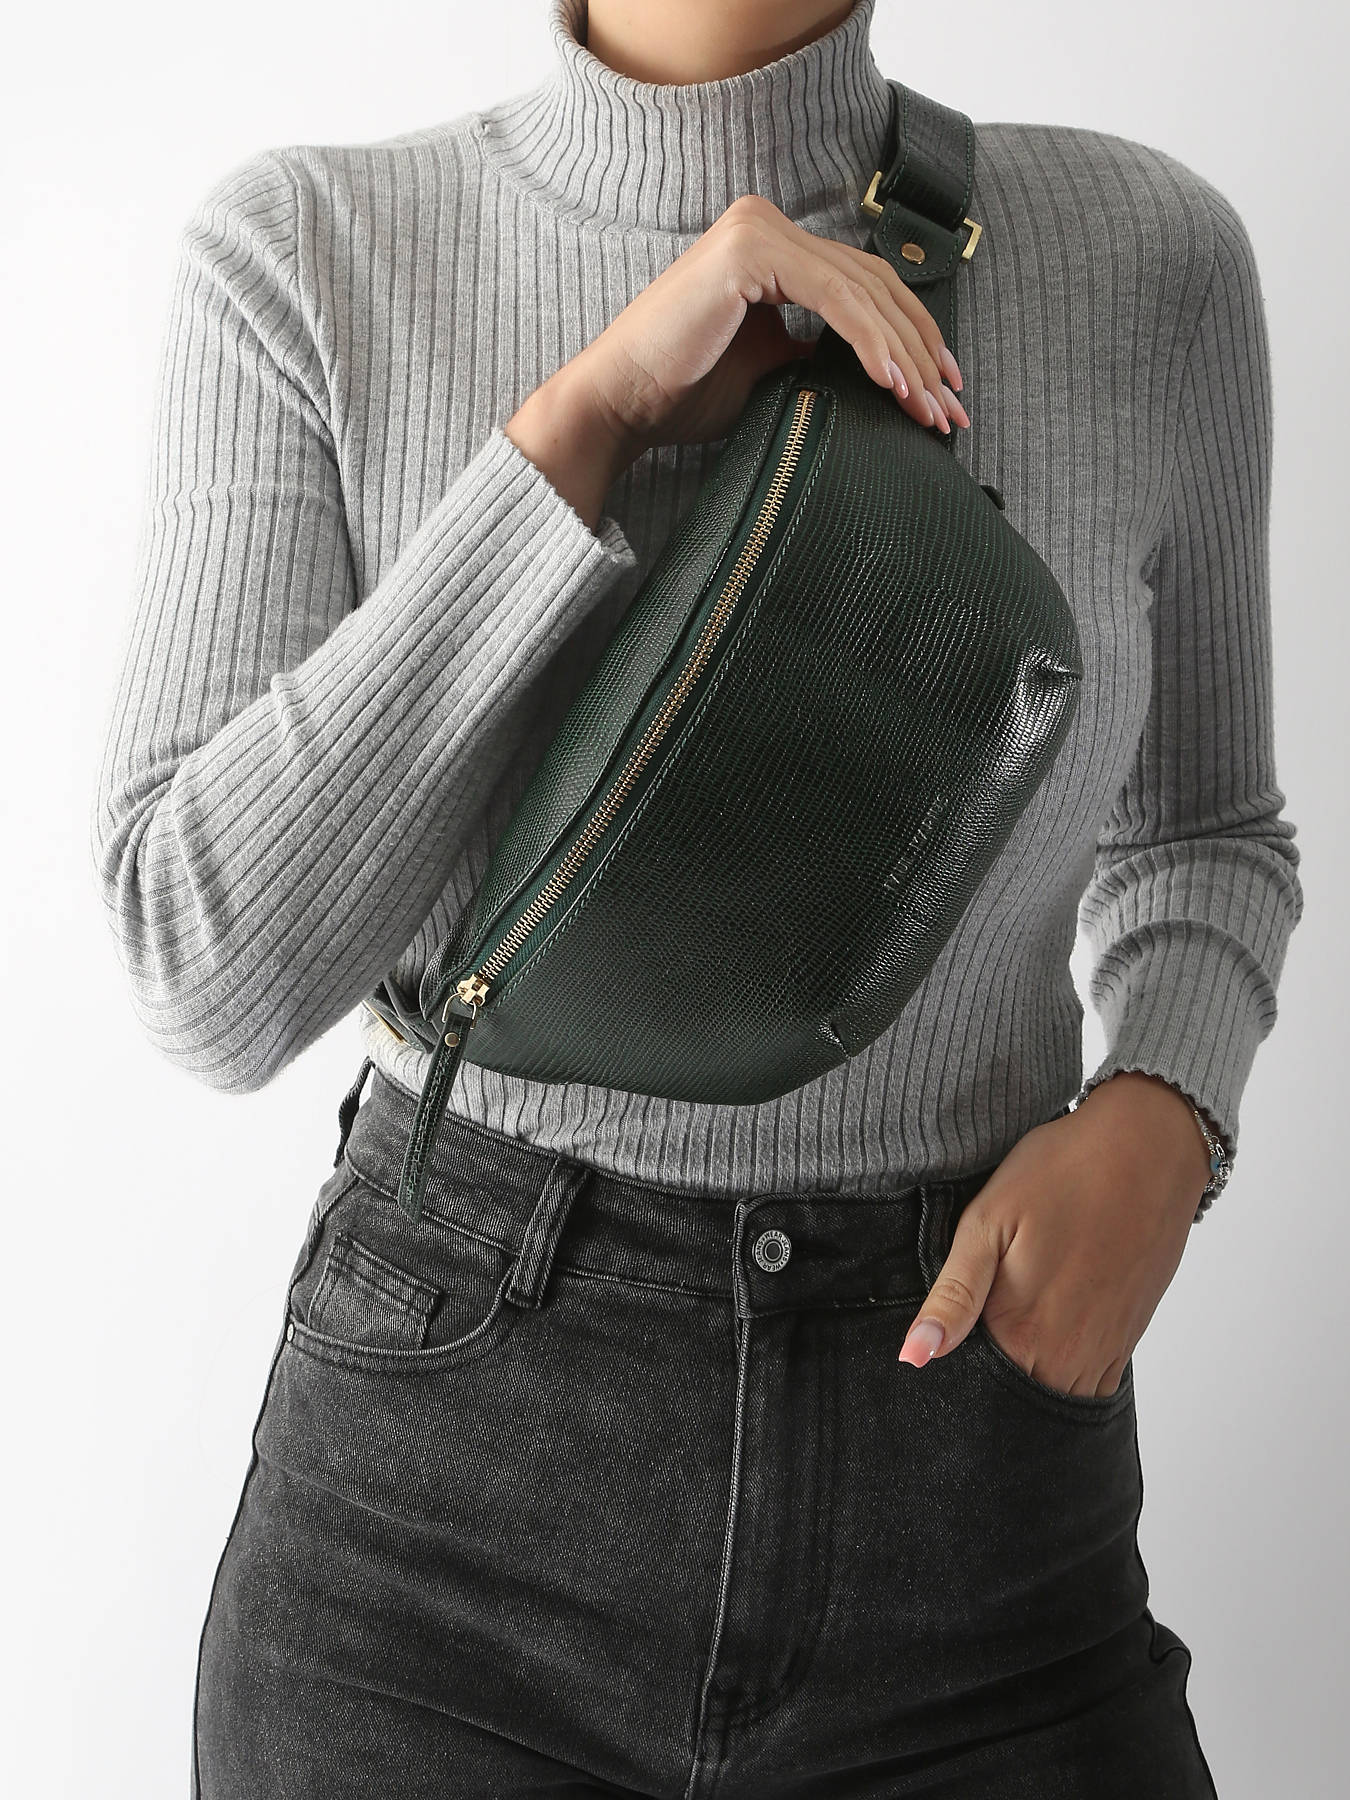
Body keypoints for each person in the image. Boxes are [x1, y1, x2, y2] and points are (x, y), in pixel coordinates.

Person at [89, 1, 1302, 1793]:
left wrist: (1164, 1116)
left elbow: (1205, 828)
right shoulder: (306, 256)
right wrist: (579, 426)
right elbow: (204, 970)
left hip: (975, 1484)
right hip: (436, 1548)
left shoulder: (1148, 259)